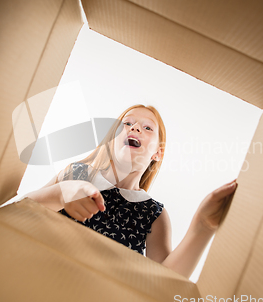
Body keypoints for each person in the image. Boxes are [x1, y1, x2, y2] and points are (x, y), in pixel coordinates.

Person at [26, 104, 237, 279]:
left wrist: (202, 226)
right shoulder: (75, 174)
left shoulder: (154, 215)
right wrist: (61, 192)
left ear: (158, 153)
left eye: (147, 128)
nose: (134, 127)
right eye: (126, 123)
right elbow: (16, 210)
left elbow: (164, 282)